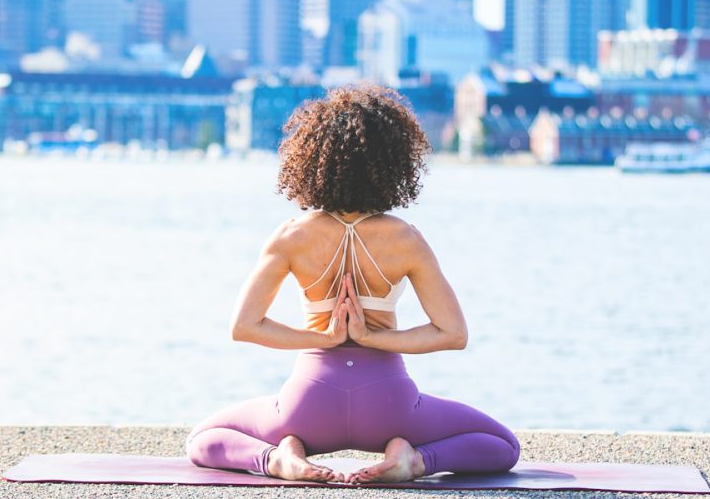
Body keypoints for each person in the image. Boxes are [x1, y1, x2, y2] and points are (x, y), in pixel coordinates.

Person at [186, 85, 520, 484]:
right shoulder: (405, 239)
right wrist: (372, 338)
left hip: (308, 402)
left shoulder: (291, 236)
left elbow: (244, 326)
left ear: (310, 160)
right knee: (502, 444)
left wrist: (325, 339)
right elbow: (453, 333)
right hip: (391, 404)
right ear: (393, 163)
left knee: (203, 439)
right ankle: (413, 460)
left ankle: (279, 459)